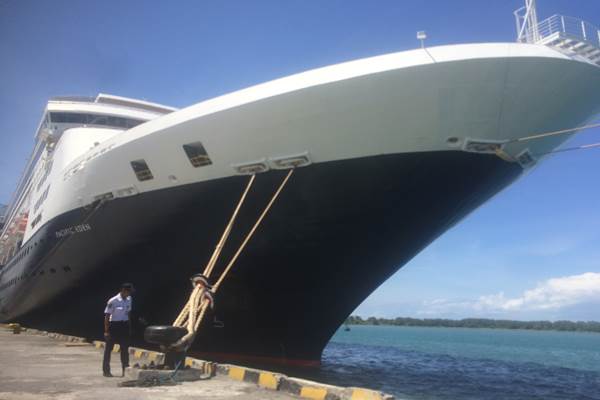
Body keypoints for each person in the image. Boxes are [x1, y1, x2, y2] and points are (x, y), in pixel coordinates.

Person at [102, 283, 133, 377]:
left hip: (124, 326)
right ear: (124, 291)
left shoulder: (129, 299)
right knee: (108, 349)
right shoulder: (113, 301)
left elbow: (128, 313)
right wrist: (106, 331)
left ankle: (125, 370)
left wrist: (129, 327)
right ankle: (106, 371)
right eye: (129, 292)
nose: (130, 294)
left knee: (124, 349)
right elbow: (107, 317)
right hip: (114, 326)